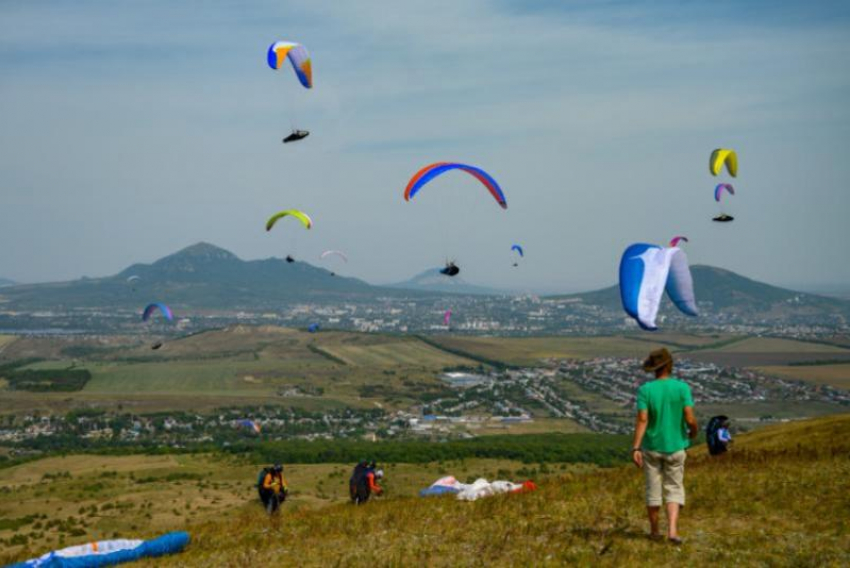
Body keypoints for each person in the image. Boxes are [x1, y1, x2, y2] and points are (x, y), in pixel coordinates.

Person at [631, 348, 698, 545]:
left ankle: (654, 531)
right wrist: (693, 430)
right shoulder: (682, 388)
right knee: (674, 488)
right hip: (676, 445)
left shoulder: (646, 390)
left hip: (652, 446)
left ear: (653, 369)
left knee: (653, 489)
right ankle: (673, 530)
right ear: (670, 365)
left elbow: (643, 419)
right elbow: (689, 416)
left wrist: (635, 447)